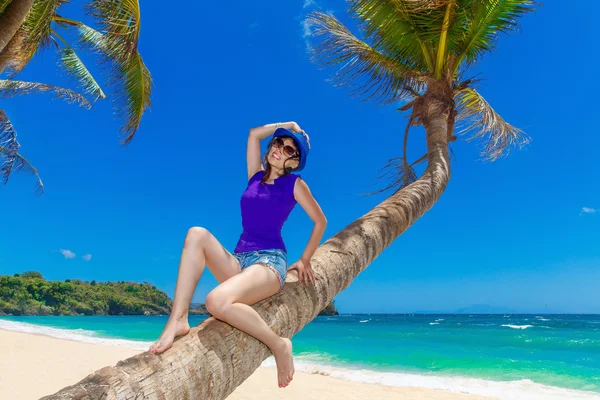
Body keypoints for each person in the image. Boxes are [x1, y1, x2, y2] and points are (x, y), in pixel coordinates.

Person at [148, 121, 327, 389]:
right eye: (278, 142)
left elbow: (320, 221)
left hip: (269, 262)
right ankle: (178, 319)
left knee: (216, 301)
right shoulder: (255, 176)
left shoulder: (295, 184)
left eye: (289, 149)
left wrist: (305, 258)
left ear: (294, 162)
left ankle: (279, 345)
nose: (280, 148)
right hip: (240, 259)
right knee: (196, 233)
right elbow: (254, 134)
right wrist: (286, 125)